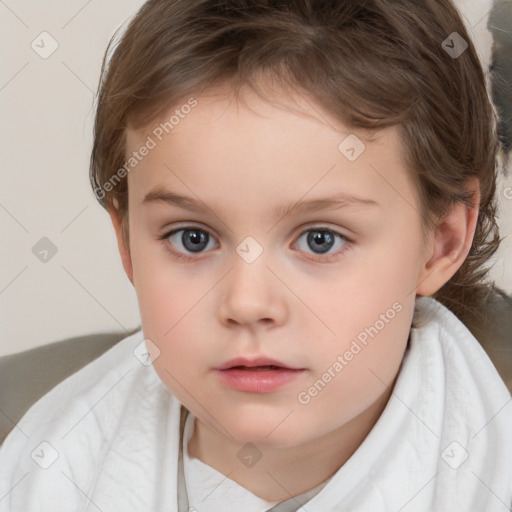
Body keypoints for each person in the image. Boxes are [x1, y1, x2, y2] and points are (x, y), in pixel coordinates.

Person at [1, 1, 511, 510]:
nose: (247, 303)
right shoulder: (38, 471)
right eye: (192, 238)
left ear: (441, 241)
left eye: (320, 240)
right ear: (127, 241)